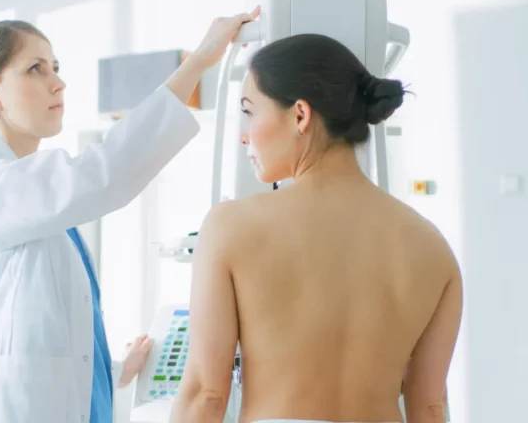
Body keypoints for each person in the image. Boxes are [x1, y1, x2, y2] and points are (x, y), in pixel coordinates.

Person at [0, 7, 260, 423]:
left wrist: (118, 369)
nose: (58, 82)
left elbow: (50, 345)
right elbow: (104, 173)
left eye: (57, 67)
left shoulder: (40, 204)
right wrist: (202, 57)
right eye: (35, 69)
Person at [170, 33, 462, 423]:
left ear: (300, 116)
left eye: (249, 111)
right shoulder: (432, 247)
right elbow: (429, 405)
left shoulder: (231, 227)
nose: (244, 134)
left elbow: (206, 394)